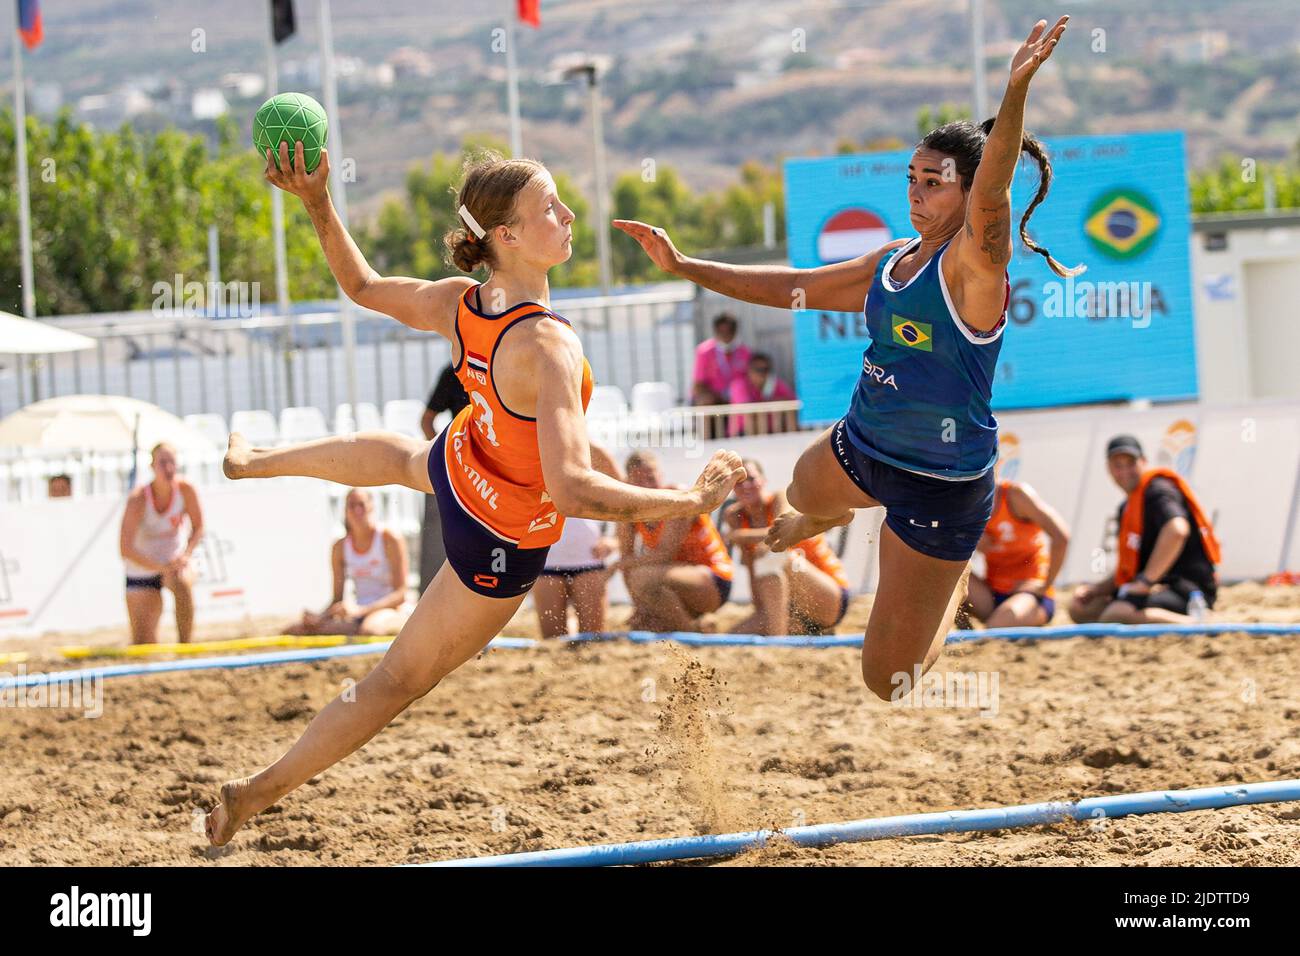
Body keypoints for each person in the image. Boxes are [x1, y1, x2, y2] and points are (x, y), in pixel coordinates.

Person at [204, 143, 745, 846]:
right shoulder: (548, 347)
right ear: (508, 237)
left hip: (464, 468)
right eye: (550, 206)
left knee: (404, 458)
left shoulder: (465, 304)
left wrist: (318, 202)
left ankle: (257, 462)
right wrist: (688, 501)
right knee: (394, 682)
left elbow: (362, 287)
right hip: (499, 539)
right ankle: (254, 794)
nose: (569, 212)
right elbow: (573, 489)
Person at [615, 16, 1076, 698]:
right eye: (912, 178)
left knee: (888, 681)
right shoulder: (892, 260)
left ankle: (946, 595)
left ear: (970, 192)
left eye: (936, 182)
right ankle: (828, 515)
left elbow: (996, 184)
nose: (917, 193)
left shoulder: (977, 263)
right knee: (800, 490)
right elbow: (790, 287)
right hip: (864, 441)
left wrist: (1015, 92)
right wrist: (687, 265)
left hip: (940, 482)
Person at [1068, 435, 1221, 624]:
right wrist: (1097, 589)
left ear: (1144, 462)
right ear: (1109, 468)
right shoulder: (1128, 507)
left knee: (1115, 614)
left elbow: (1177, 530)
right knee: (1080, 609)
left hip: (1186, 588)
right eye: (1118, 464)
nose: (1124, 470)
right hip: (1156, 586)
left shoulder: (1158, 491)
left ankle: (1197, 622)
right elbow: (1130, 568)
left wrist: (1146, 582)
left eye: (1130, 463)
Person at [722, 458, 850, 635]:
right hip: (788, 604)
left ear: (764, 481)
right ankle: (794, 630)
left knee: (774, 556)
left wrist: (739, 536)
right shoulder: (735, 515)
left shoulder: (779, 498)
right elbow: (753, 568)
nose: (746, 486)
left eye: (751, 479)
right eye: (739, 483)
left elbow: (779, 536)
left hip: (829, 594)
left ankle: (778, 642)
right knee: (733, 634)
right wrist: (761, 609)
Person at [616, 450, 734, 633]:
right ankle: (698, 625)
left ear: (661, 475)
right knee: (643, 623)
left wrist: (616, 565)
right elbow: (627, 558)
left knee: (641, 577)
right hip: (678, 579)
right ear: (628, 482)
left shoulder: (678, 497)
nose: (647, 485)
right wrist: (641, 606)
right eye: (638, 480)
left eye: (651, 478)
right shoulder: (630, 510)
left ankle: (690, 633)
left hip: (713, 579)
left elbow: (664, 554)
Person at [285, 488, 414, 637]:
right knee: (299, 629)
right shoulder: (340, 547)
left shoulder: (389, 538)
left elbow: (400, 594)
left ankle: (405, 624)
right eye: (352, 505)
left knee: (370, 629)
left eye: (361, 504)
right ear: (345, 511)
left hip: (390, 609)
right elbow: (337, 599)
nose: (357, 510)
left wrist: (361, 610)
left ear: (371, 507)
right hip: (359, 613)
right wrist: (320, 617)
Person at [531, 443, 622, 639]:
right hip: (547, 561)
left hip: (588, 558)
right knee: (553, 642)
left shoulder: (591, 449)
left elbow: (623, 497)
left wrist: (614, 540)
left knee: (593, 640)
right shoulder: (529, 447)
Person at [118, 442, 204, 644]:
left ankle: (185, 647)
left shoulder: (186, 490)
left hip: (173, 562)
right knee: (144, 644)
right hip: (141, 568)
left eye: (172, 461)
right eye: (162, 462)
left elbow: (199, 527)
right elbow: (125, 549)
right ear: (152, 467)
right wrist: (160, 567)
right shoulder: (138, 499)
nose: (169, 468)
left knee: (182, 583)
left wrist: (185, 555)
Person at [967, 477, 1069, 627]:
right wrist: (967, 536)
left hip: (1029, 593)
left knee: (997, 625)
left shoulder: (1014, 495)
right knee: (945, 579)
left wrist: (1044, 586)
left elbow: (1061, 537)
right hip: (991, 593)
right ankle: (966, 633)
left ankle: (976, 635)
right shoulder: (965, 500)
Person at [418, 363, 471, 593]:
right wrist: (444, 456)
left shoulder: (503, 366)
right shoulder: (453, 373)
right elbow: (426, 420)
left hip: (498, 470)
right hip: (463, 471)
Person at [693, 312, 750, 438]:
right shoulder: (704, 351)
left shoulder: (744, 352)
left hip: (736, 400)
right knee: (705, 401)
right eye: (722, 332)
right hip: (715, 399)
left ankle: (741, 436)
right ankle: (706, 440)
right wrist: (719, 396)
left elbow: (749, 382)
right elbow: (698, 386)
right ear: (715, 332)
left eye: (730, 331)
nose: (726, 336)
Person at [727, 351, 798, 436]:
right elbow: (748, 409)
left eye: (766, 369)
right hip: (742, 433)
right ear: (749, 370)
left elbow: (793, 402)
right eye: (758, 370)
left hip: (770, 431)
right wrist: (769, 403)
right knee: (755, 414)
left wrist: (777, 401)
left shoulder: (775, 384)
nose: (762, 374)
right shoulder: (739, 384)